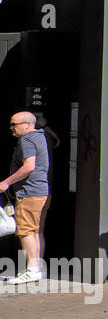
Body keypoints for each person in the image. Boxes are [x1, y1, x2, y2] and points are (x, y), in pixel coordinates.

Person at [0, 111, 50, 285]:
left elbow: (28, 167)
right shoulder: (39, 137)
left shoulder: (27, 140)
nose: (11, 128)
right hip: (40, 191)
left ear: (27, 125)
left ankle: (32, 270)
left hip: (29, 192)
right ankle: (34, 267)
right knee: (34, 231)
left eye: (14, 124)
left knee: (25, 231)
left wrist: (6, 182)